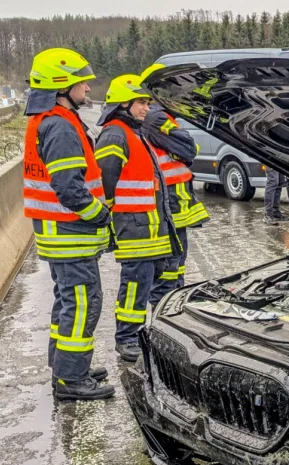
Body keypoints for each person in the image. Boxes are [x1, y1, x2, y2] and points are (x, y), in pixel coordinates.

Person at [22, 48, 114, 400]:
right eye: (82, 83)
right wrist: (101, 215)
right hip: (70, 233)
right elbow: (69, 189)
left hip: (58, 234)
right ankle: (70, 380)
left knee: (67, 302)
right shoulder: (60, 126)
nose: (89, 88)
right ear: (62, 86)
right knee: (82, 304)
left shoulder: (47, 119)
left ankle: (65, 367)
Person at [93, 74, 177, 363]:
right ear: (122, 104)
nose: (146, 108)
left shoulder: (133, 132)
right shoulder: (115, 133)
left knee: (153, 281)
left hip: (149, 227)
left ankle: (152, 332)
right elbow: (105, 180)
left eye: (147, 103)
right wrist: (116, 218)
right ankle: (126, 338)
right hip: (134, 227)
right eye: (141, 102)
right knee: (135, 285)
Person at [139, 63, 208, 301]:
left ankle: (172, 308)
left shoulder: (156, 116)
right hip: (169, 205)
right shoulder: (156, 118)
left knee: (175, 269)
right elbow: (188, 148)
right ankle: (164, 317)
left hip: (173, 206)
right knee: (168, 271)